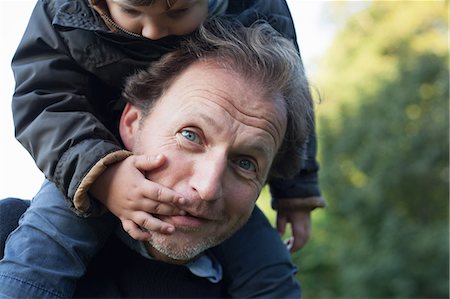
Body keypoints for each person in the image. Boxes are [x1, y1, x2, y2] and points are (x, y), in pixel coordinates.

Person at [0, 0, 325, 297]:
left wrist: (296, 191)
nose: (153, 31)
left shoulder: (260, 10)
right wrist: (103, 175)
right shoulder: (62, 11)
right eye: (190, 135)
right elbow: (43, 99)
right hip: (87, 157)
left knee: (269, 265)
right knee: (48, 245)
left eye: (245, 163)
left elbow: (286, 106)